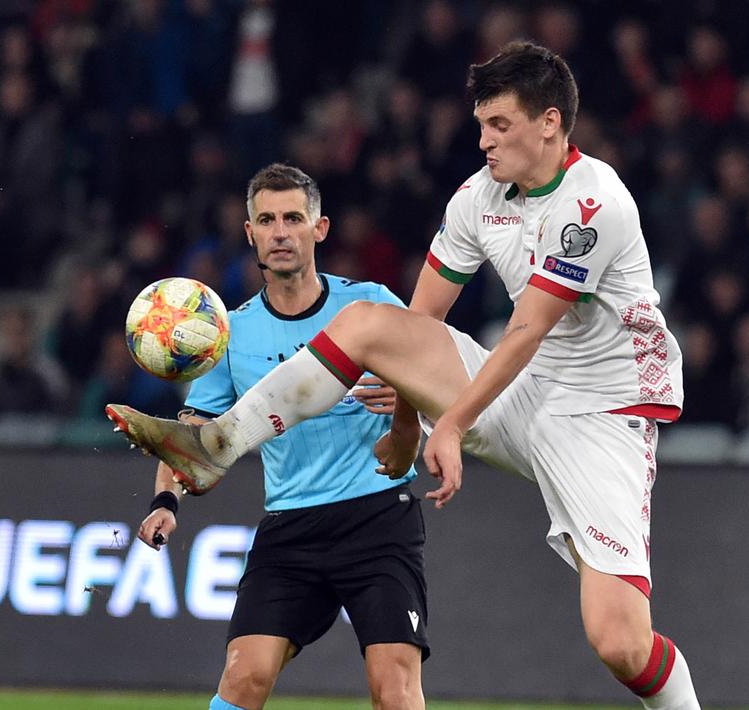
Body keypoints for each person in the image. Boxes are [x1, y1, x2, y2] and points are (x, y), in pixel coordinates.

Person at [109, 42, 701, 708]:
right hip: (519, 392)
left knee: (618, 643)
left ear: (549, 123)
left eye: (499, 126)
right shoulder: (478, 198)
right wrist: (405, 423)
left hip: (604, 415)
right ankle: (217, 445)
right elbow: (416, 328)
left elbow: (528, 329)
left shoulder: (594, 203)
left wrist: (447, 422)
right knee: (366, 323)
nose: (482, 141)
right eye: (479, 125)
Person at [134, 163, 428, 710]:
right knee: (244, 680)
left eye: (293, 217)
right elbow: (196, 433)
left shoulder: (371, 306)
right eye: (266, 220)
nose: (280, 231)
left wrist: (413, 401)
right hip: (292, 528)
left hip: (379, 520)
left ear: (320, 228)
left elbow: (444, 380)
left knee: (394, 690)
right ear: (249, 234)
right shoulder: (226, 334)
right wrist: (166, 500)